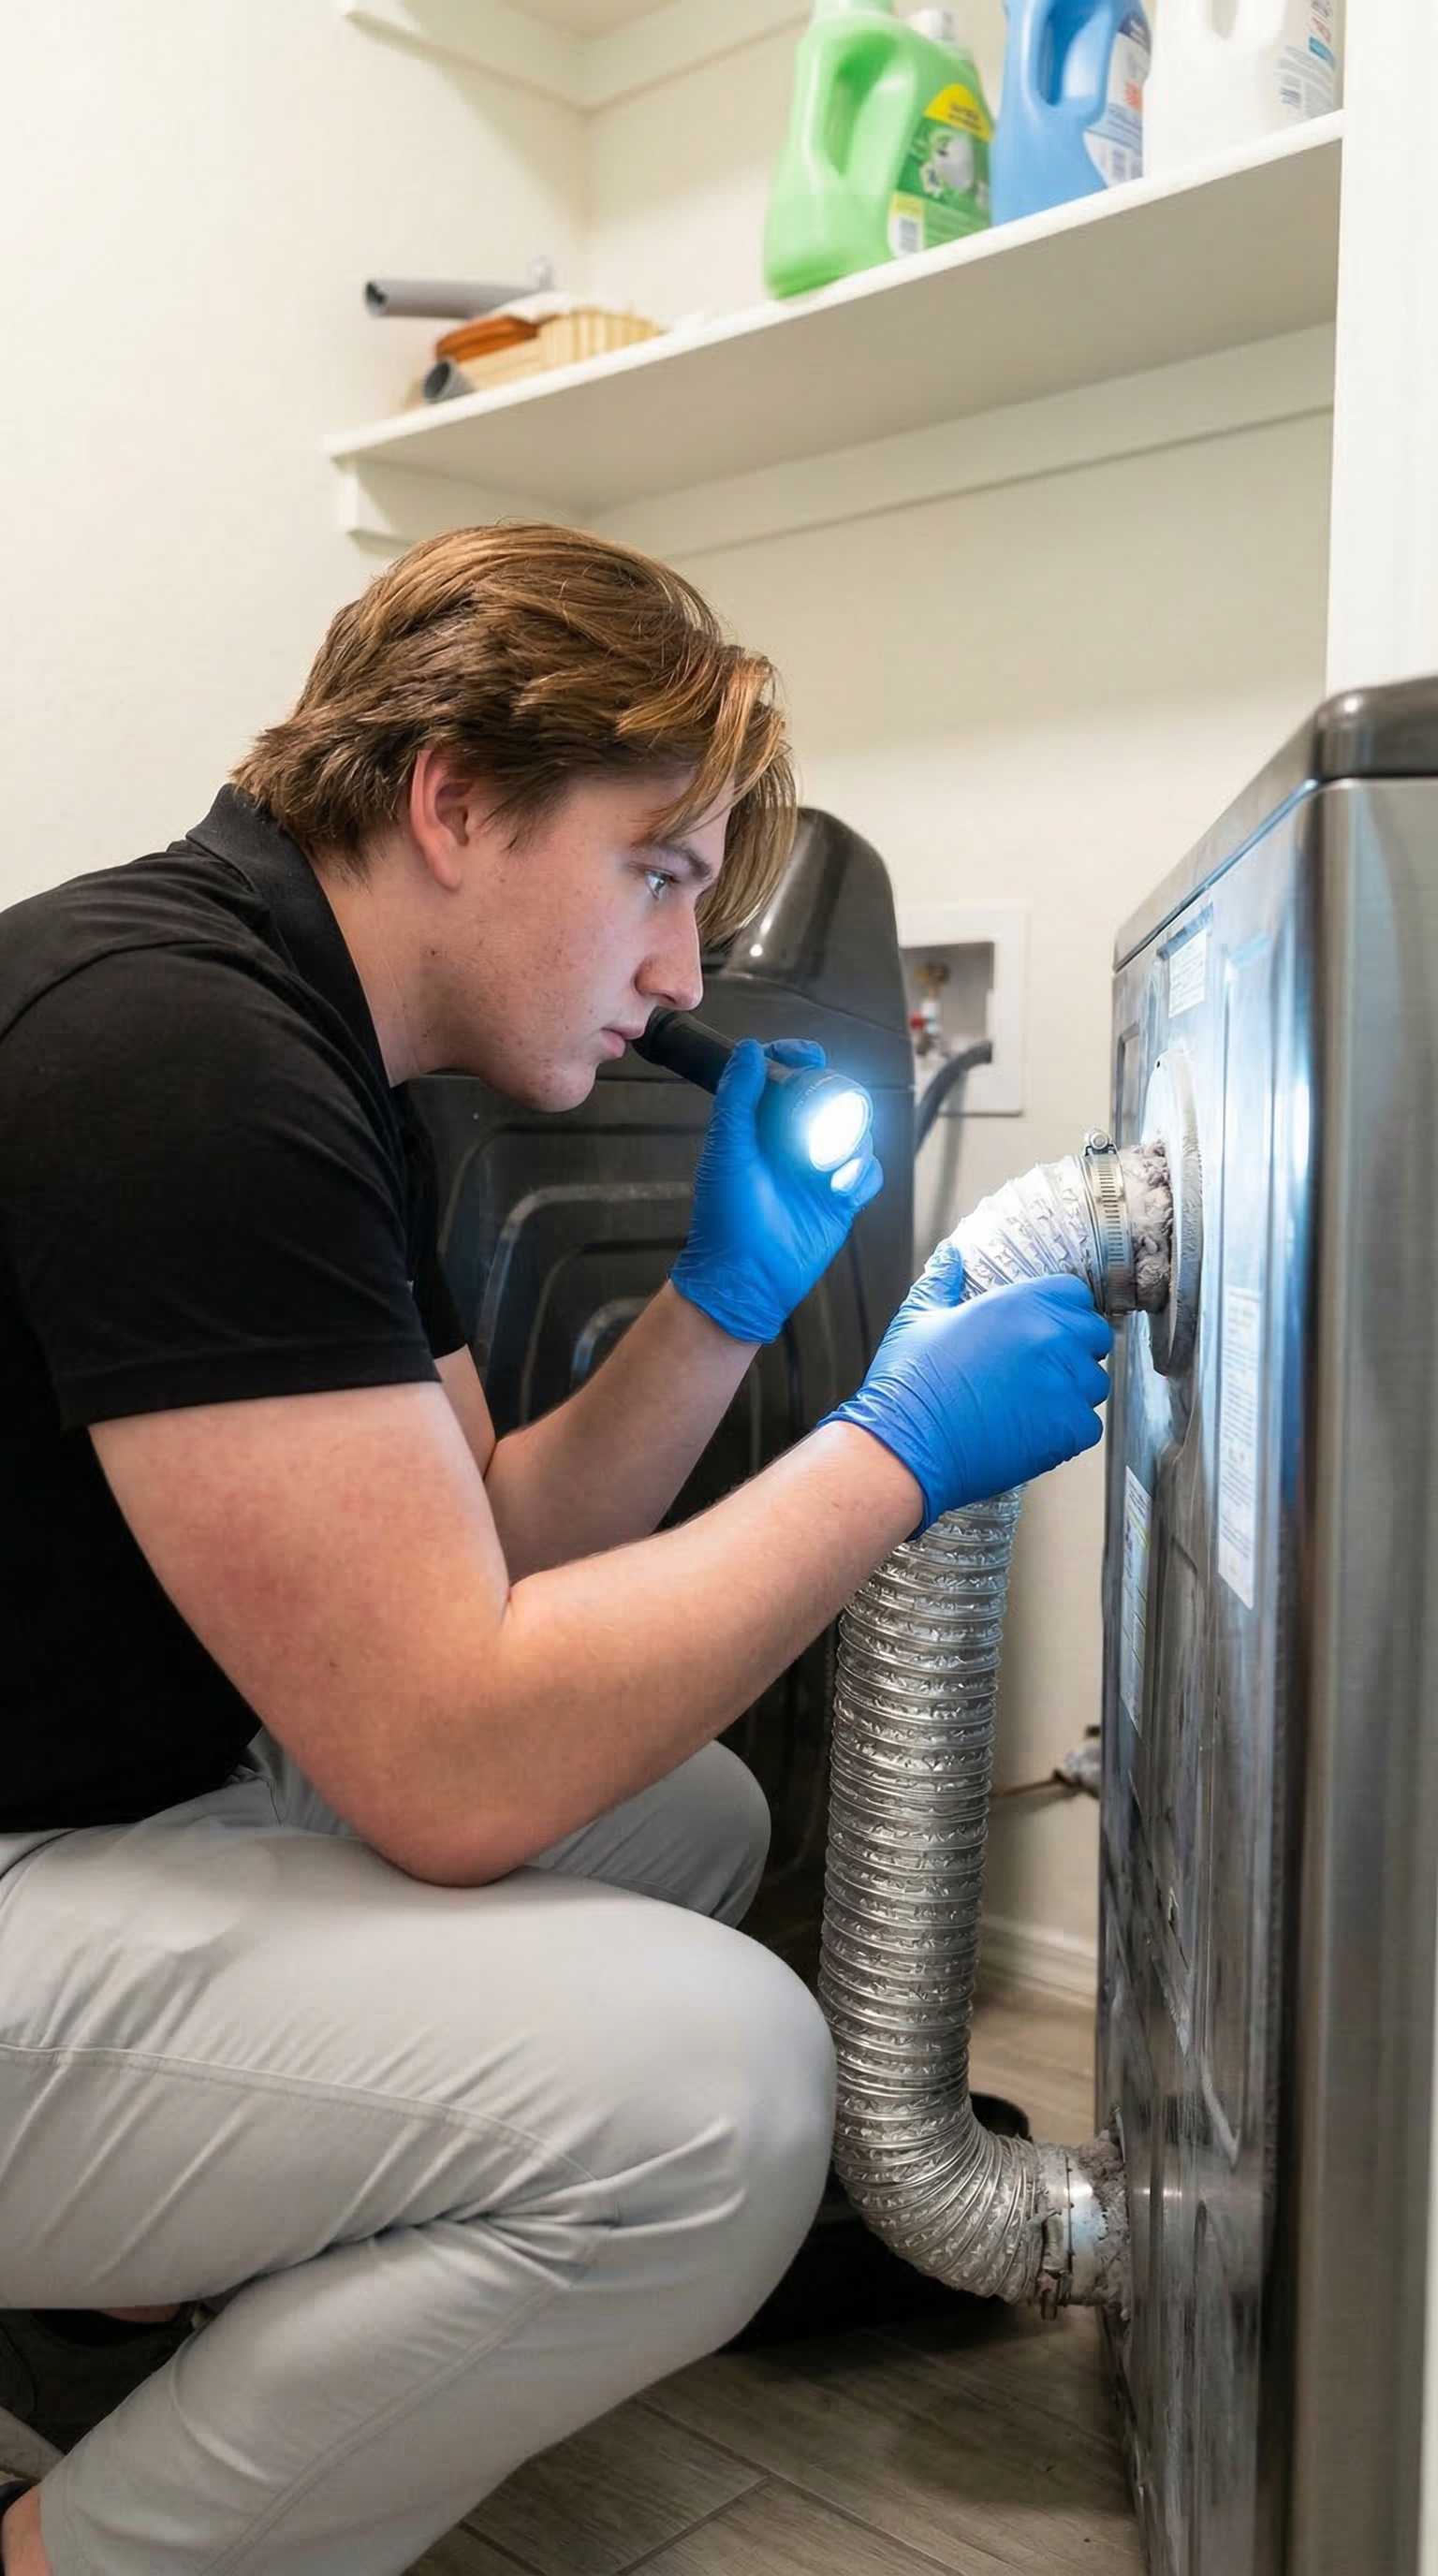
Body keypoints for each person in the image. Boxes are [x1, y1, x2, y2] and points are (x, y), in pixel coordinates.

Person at [0, 523, 1111, 2576]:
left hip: (79, 1810)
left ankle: (148, 2283)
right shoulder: (179, 1054)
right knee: (731, 2090)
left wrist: (727, 1309)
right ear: (456, 800)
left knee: (673, 1805)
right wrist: (892, 1453)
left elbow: (484, 1544)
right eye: (659, 873)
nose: (684, 973)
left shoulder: (319, 1045)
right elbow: (452, 1762)